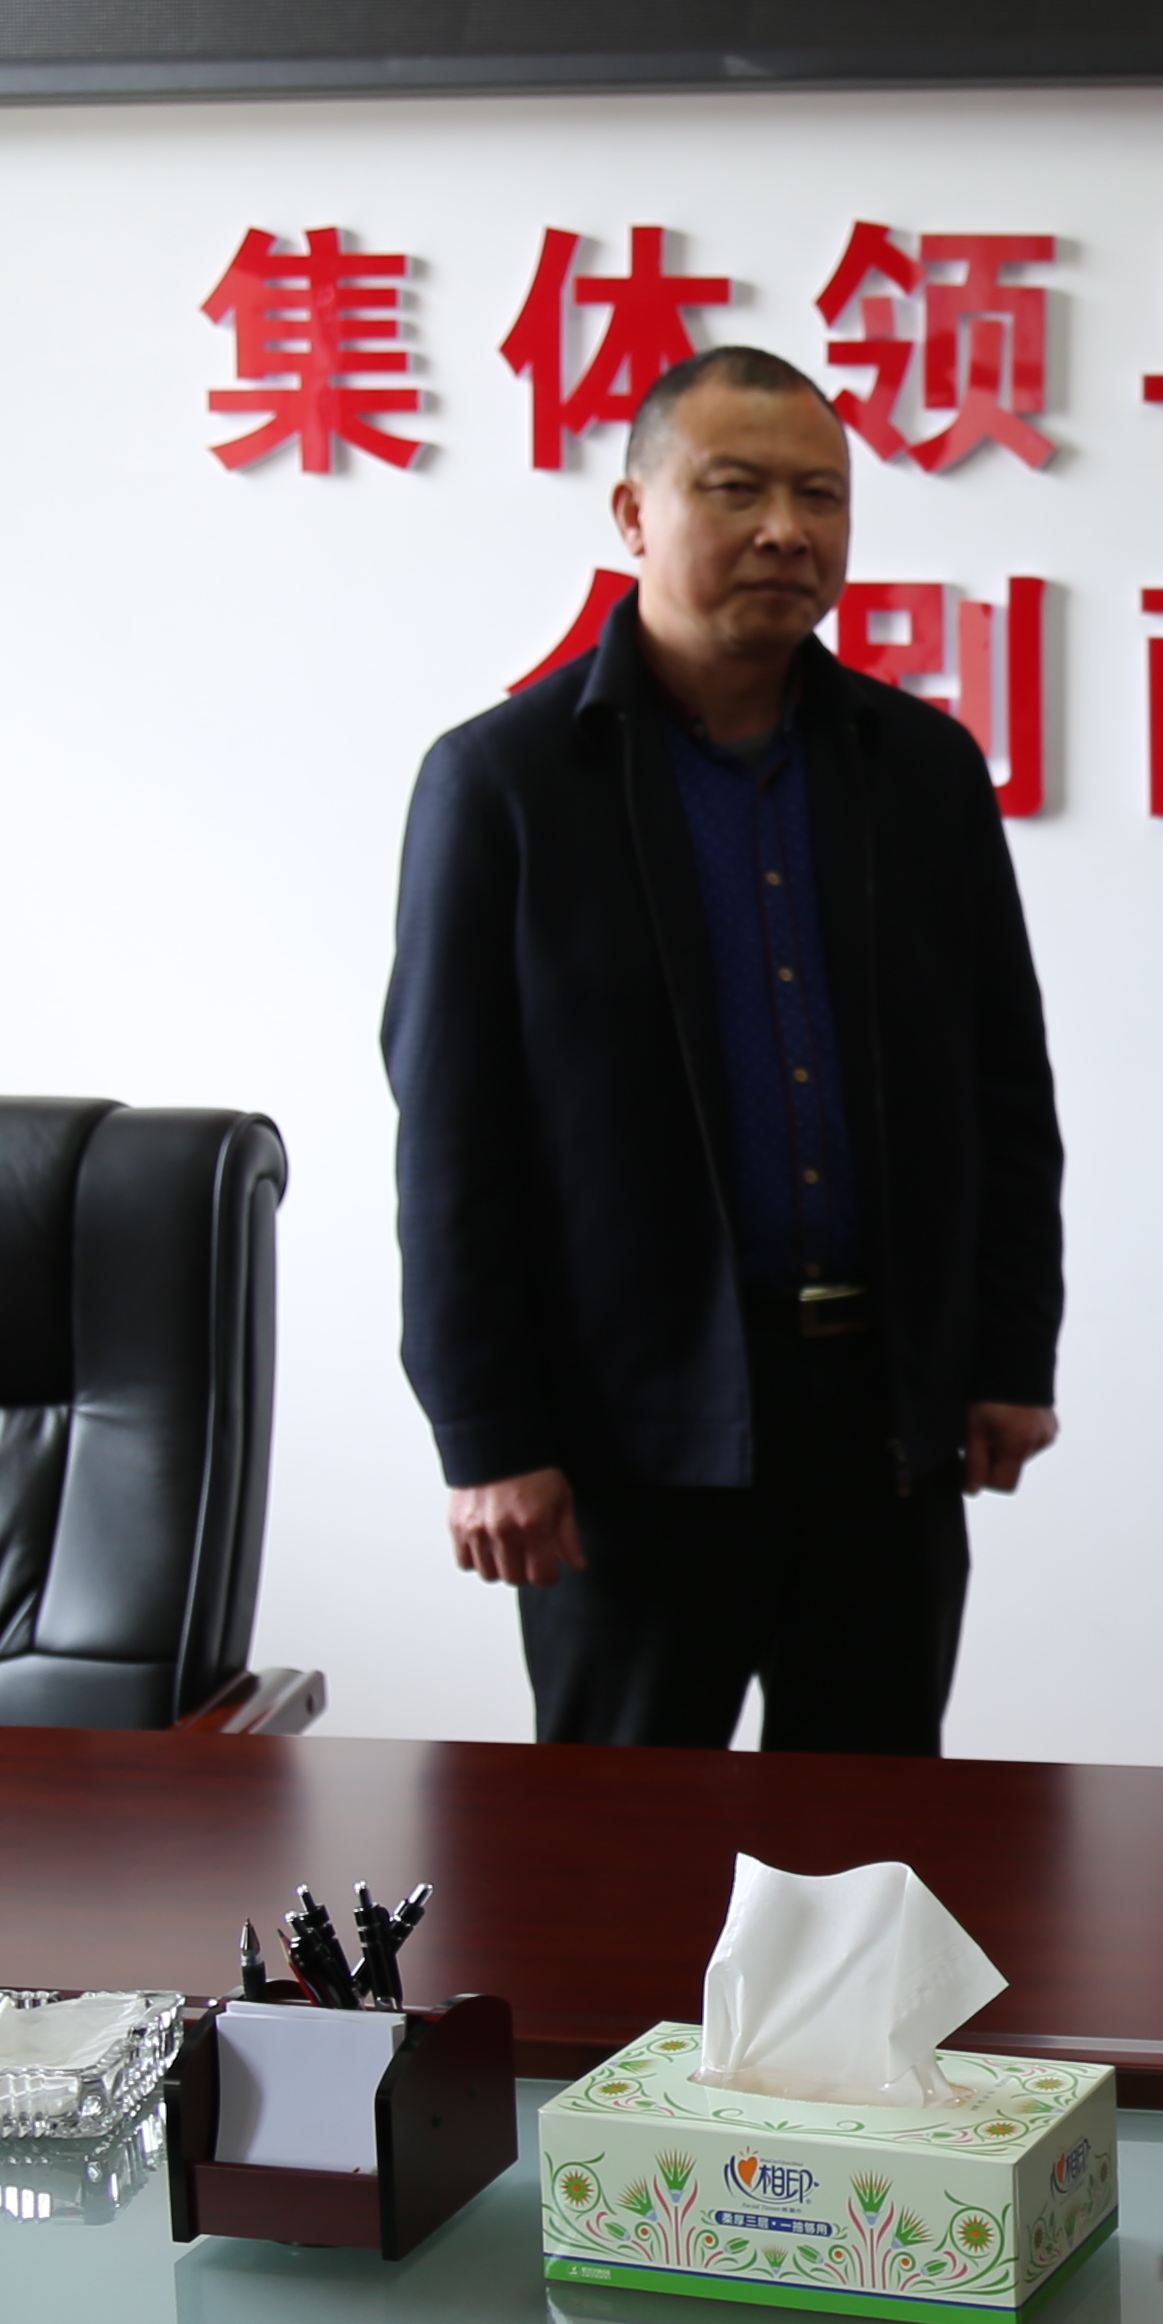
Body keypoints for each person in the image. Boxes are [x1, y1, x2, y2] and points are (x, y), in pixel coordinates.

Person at [382, 345, 1065, 1752]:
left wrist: (1010, 1352)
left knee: (871, 1842)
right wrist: (488, 1438)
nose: (786, 531)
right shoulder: (505, 783)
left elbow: (1003, 1088)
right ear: (634, 515)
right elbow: (450, 1140)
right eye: (736, 489)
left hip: (881, 1424)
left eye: (821, 496)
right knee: (628, 1850)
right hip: (627, 1436)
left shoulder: (921, 772)